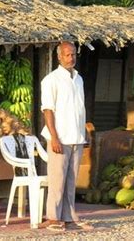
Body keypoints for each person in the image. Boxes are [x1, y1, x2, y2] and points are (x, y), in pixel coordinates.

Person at [40, 41, 93, 232]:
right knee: (57, 179)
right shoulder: (51, 80)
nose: (71, 58)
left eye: (73, 55)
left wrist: (84, 130)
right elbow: (48, 110)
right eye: (67, 55)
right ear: (59, 57)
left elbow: (79, 108)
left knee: (71, 180)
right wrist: (54, 137)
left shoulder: (78, 79)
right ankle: (53, 218)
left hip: (76, 136)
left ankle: (69, 217)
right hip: (59, 137)